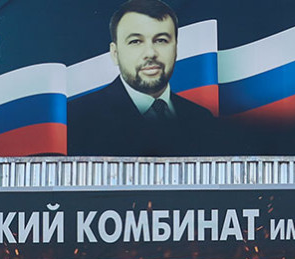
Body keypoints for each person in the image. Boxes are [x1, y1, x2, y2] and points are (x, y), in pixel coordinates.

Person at [66, 0, 216, 156]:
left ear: (176, 48)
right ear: (115, 54)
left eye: (161, 40)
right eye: (136, 41)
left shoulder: (202, 119)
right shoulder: (76, 118)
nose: (150, 53)